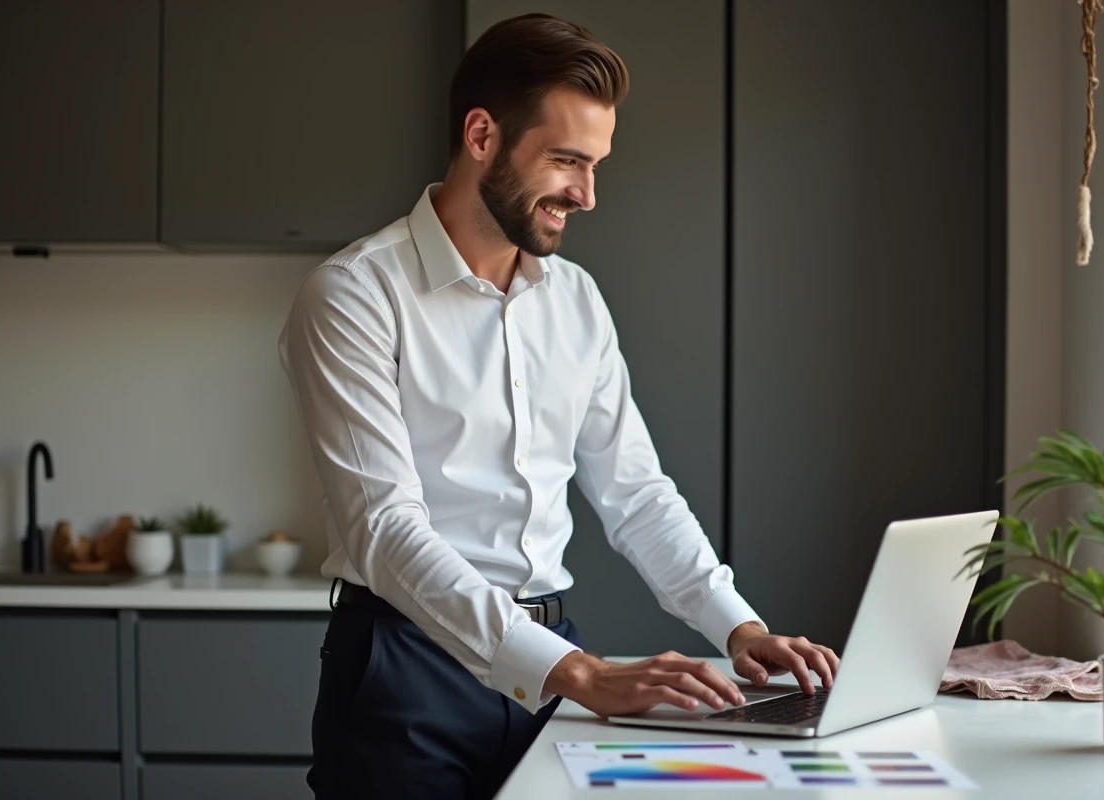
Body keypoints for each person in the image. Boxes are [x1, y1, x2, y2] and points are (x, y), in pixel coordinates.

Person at [278, 12, 839, 800]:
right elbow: (385, 529)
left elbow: (636, 494)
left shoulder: (576, 301)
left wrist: (738, 626)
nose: (587, 194)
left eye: (597, 165)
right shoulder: (353, 296)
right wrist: (577, 673)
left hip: (549, 659)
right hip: (403, 670)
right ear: (482, 136)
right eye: (567, 161)